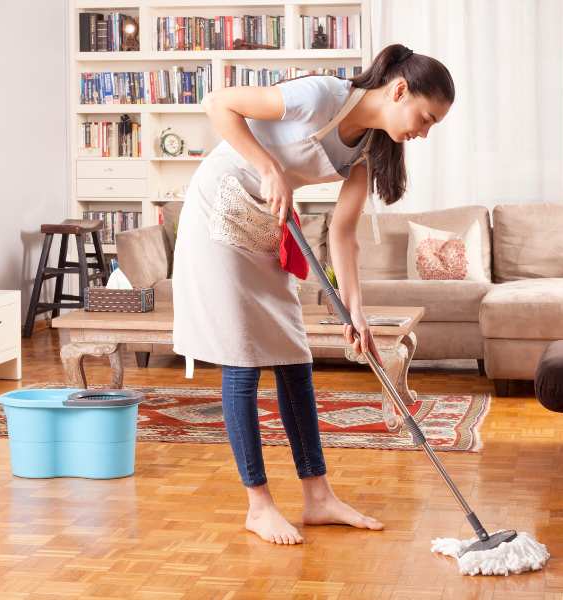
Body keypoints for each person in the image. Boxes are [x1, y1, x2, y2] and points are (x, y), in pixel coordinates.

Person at [172, 43, 454, 545]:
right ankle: (258, 505)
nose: (424, 133)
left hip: (267, 220)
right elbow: (219, 103)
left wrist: (356, 313)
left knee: (293, 357)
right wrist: (267, 166)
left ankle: (318, 497)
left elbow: (343, 236)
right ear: (399, 89)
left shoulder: (371, 148)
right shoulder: (319, 95)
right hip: (219, 208)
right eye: (426, 118)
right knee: (243, 358)